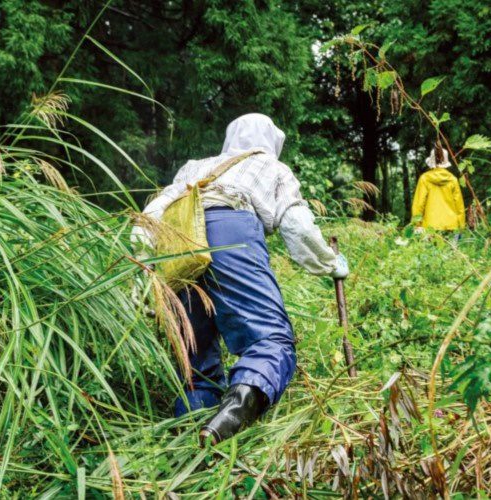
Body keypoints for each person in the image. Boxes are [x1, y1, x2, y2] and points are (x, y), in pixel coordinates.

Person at [132, 113, 348, 446]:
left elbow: (149, 219)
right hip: (229, 230)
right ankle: (230, 416)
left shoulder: (193, 166)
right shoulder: (271, 166)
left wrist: (143, 275)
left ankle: (186, 436)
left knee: (195, 352)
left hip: (176, 243)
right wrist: (330, 263)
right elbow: (297, 226)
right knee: (270, 340)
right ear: (271, 139)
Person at [411, 143, 466, 233]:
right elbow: (459, 206)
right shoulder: (453, 179)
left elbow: (418, 204)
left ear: (431, 162)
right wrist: (461, 226)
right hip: (452, 226)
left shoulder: (424, 179)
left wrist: (417, 225)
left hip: (430, 228)